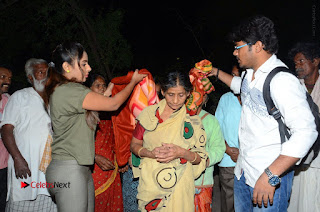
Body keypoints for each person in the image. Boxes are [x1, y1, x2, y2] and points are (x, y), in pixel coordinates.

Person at [208, 15, 317, 211]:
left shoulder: (282, 80)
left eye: (238, 47)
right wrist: (215, 72)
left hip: (269, 179)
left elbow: (306, 132)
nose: (234, 52)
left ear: (257, 46)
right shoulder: (250, 74)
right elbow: (238, 86)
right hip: (243, 172)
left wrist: (270, 174)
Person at [45, 42, 145, 212]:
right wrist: (133, 82)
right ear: (66, 67)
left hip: (79, 168)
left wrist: (109, 90)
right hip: (69, 169)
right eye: (83, 64)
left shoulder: (67, 91)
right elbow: (113, 104)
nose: (89, 68)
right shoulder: (70, 90)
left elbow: (95, 108)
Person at [130, 71, 208, 211]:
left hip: (181, 186)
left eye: (181, 95)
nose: (176, 100)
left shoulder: (192, 121)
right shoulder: (148, 115)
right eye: (171, 94)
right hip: (151, 185)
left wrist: (181, 152)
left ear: (188, 94)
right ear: (163, 91)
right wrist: (149, 153)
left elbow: (200, 159)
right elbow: (134, 145)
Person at [1, 59, 57, 211]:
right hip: (26, 168)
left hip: (50, 171)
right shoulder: (19, 97)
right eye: (40, 72)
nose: (45, 76)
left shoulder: (56, 99)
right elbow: (6, 129)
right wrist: (18, 159)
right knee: (22, 203)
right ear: (31, 77)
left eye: (47, 72)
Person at [287, 42, 320, 212]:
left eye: (301, 61)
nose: (297, 66)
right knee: (299, 201)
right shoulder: (293, 86)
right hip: (300, 157)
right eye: (295, 63)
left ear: (315, 61)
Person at [85, 73, 124, 212]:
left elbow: (118, 136)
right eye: (97, 85)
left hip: (112, 166)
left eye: (104, 85)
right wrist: (94, 157)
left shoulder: (111, 109)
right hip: (92, 167)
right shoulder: (85, 111)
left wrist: (122, 158)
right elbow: (76, 141)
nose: (102, 89)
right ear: (89, 89)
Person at [215, 65, 242, 212]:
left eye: (238, 76)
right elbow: (216, 129)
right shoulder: (225, 99)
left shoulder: (256, 99)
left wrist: (243, 153)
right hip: (228, 161)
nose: (233, 79)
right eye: (232, 75)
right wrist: (228, 150)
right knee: (229, 203)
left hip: (251, 161)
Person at [194, 94, 225, 212]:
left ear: (205, 99)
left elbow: (218, 148)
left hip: (202, 181)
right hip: (177, 180)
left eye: (199, 94)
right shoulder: (177, 117)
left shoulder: (210, 120)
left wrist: (205, 161)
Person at [0, 66, 12, 211]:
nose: (7, 81)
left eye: (9, 78)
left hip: (6, 164)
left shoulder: (9, 99)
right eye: (3, 77)